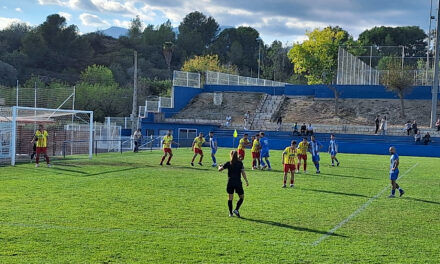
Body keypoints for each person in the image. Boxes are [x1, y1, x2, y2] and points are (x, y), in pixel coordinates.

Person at [218, 150, 249, 217]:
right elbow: (243, 173)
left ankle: (230, 213)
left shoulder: (228, 163)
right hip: (238, 182)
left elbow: (220, 170)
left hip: (230, 182)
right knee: (241, 197)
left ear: (231, 155)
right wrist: (246, 181)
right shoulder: (240, 163)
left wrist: (219, 166)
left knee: (230, 198)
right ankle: (236, 209)